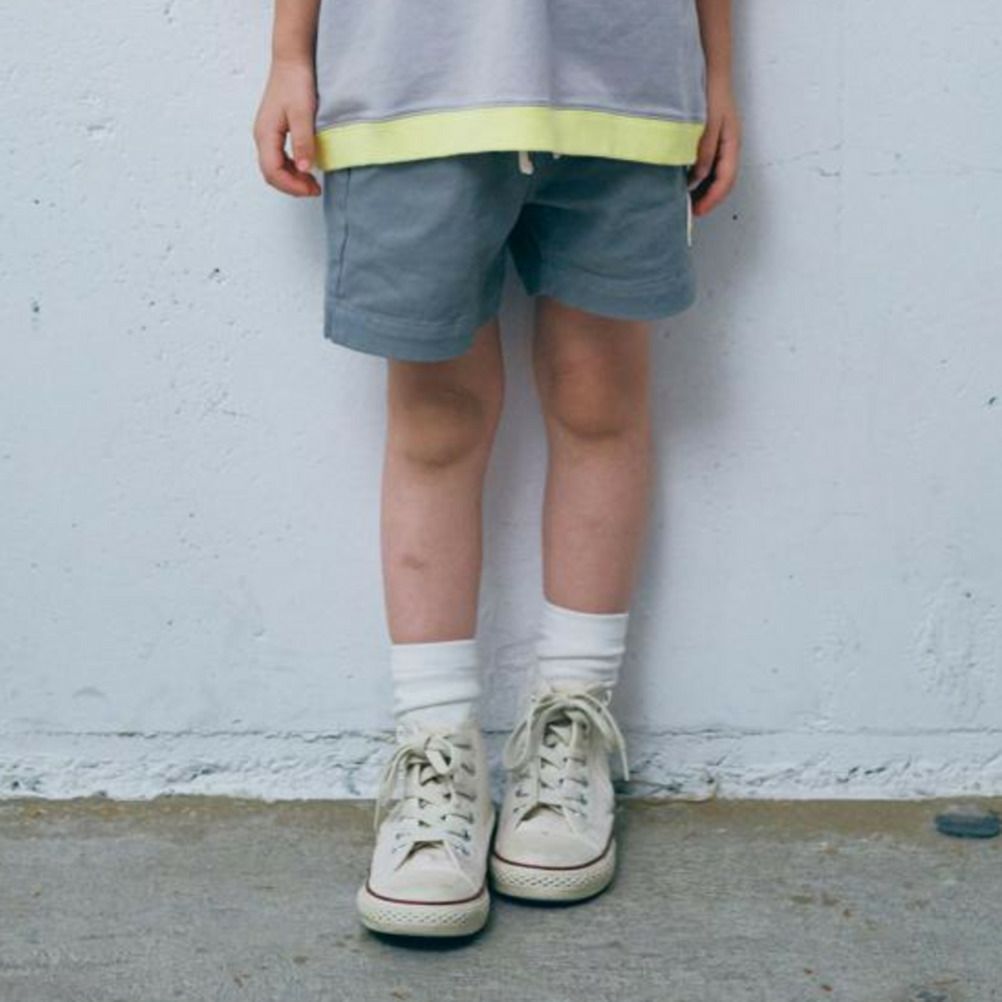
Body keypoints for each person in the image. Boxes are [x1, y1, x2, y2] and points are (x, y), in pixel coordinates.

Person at [254, 0, 740, 937]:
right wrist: (288, 53)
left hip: (627, 84)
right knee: (436, 423)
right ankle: (435, 754)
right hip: (410, 87)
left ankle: (571, 732)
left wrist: (717, 71)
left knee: (600, 401)